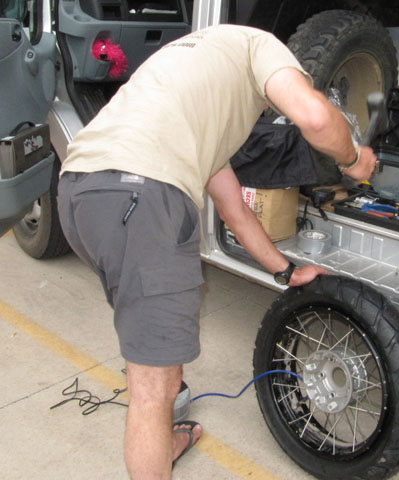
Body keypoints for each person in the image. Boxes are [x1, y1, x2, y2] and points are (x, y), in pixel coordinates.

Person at [56, 24, 377, 479]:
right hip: (143, 201)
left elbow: (236, 212)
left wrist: (286, 271)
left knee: (151, 351)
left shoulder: (190, 78)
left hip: (80, 195)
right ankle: (153, 447)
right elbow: (318, 119)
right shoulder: (260, 46)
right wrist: (352, 160)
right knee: (153, 387)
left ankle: (162, 440)